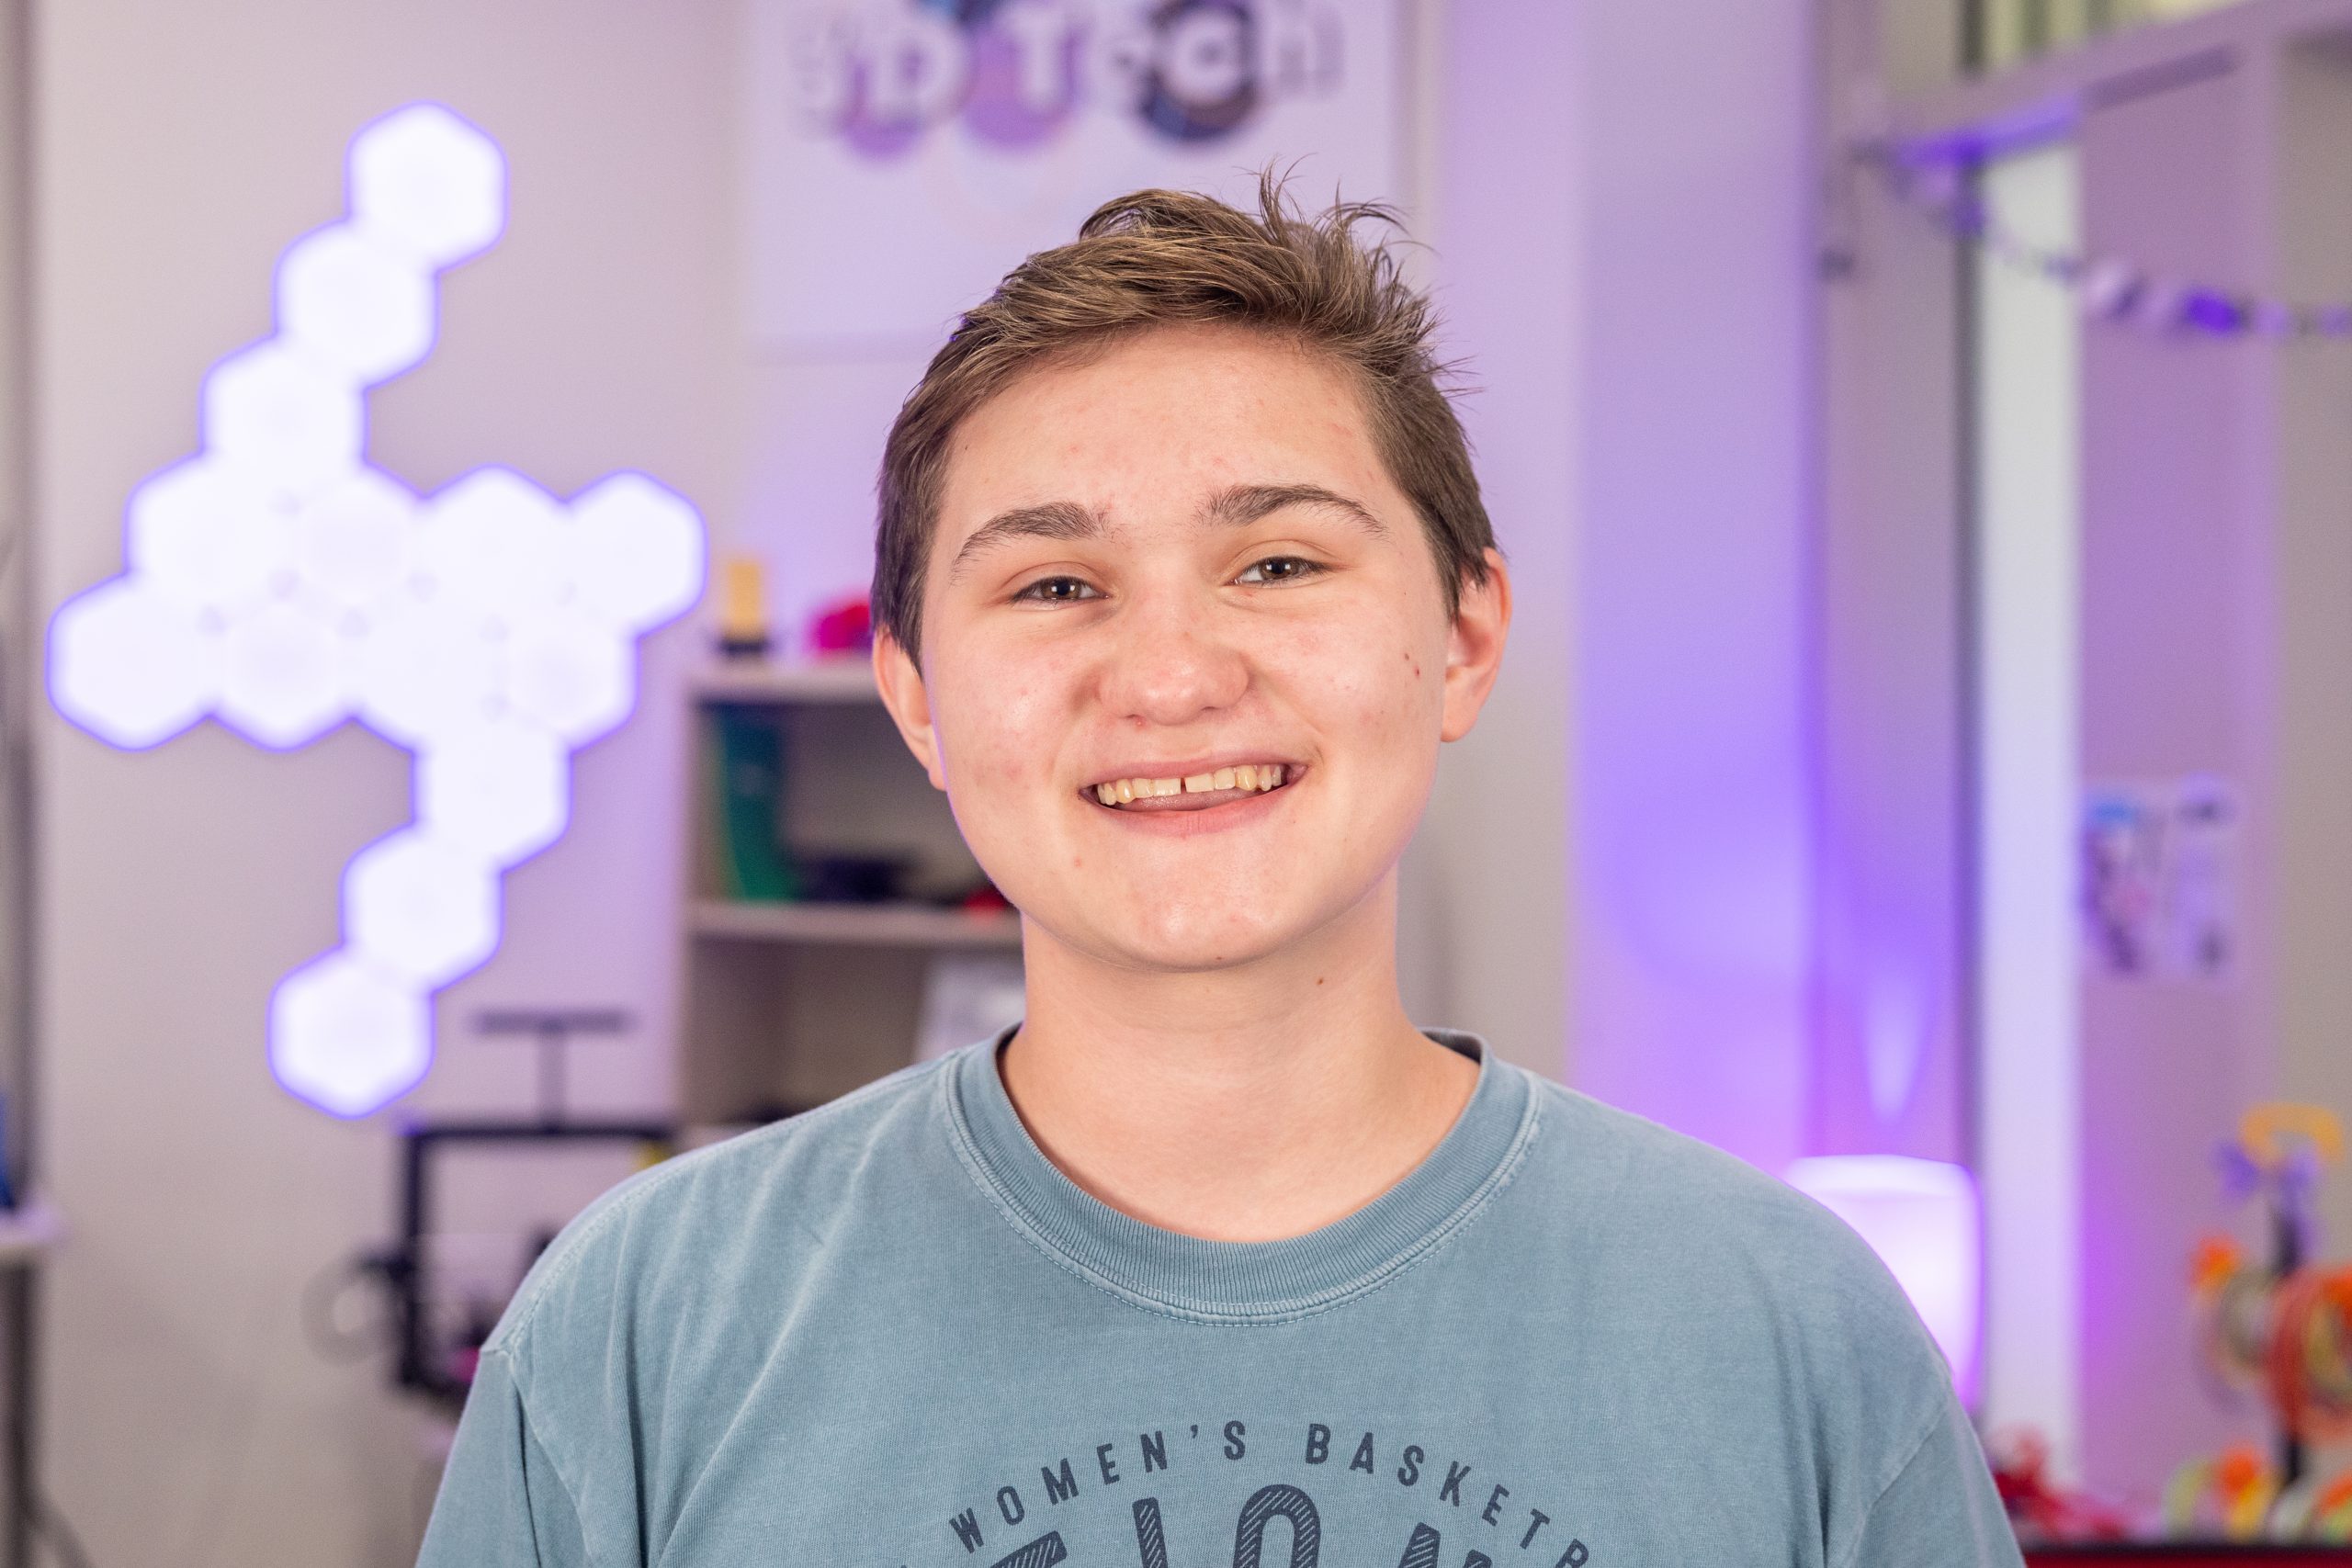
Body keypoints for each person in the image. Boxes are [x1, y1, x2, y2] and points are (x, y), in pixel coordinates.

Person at [417, 179, 2022, 1567]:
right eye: (1056, 582)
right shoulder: (647, 1329)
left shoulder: (1783, 1336)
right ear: (916, 697)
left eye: (1277, 563)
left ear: (1459, 640)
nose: (1171, 675)